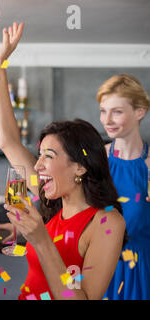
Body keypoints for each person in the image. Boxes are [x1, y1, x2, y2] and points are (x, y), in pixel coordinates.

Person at [0, 22, 126, 300]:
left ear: (80, 166)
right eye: (39, 156)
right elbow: (8, 141)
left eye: (48, 157)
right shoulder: (52, 204)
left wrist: (40, 240)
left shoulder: (107, 223)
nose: (37, 166)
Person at [96, 74, 150, 300]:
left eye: (116, 111)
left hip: (142, 273)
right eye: (103, 111)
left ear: (140, 112)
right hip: (97, 270)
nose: (107, 120)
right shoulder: (94, 161)